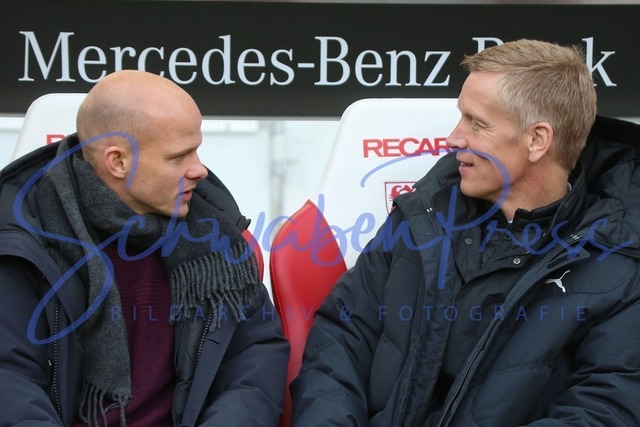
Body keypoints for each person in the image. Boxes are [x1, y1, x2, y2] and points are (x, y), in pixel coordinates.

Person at [290, 39, 640, 426]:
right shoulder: (422, 213)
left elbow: (606, 407)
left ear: (537, 140)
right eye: (461, 117)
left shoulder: (621, 261)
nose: (454, 138)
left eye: (477, 122)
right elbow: (340, 339)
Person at [0, 70, 289, 426]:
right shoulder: (23, 245)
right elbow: (10, 381)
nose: (199, 170)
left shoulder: (215, 232)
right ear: (118, 161)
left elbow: (254, 357)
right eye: (178, 157)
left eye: (197, 150)